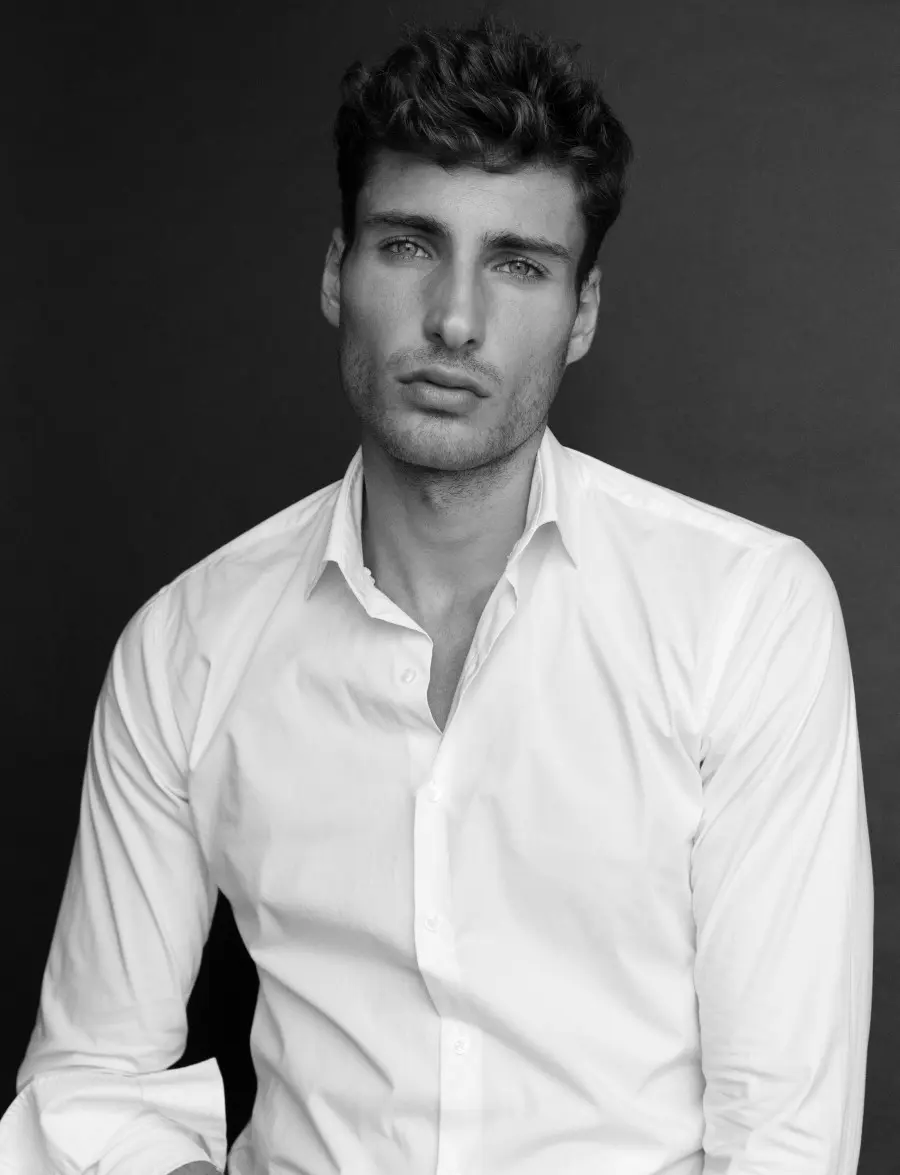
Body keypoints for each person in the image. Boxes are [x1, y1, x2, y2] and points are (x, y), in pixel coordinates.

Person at [0, 12, 873, 1175]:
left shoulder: (745, 613)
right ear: (337, 272)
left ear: (583, 310)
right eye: (411, 244)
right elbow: (88, 1079)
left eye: (519, 263)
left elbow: (784, 1141)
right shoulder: (185, 645)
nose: (456, 319)